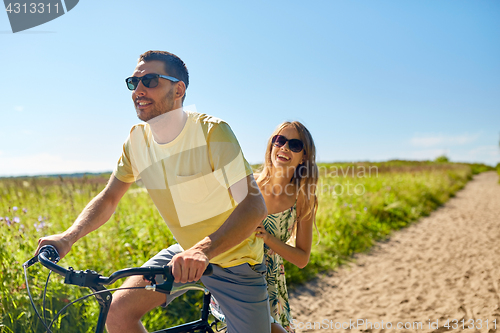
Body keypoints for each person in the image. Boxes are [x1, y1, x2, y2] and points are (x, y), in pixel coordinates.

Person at [35, 50, 271, 333]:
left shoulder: (212, 132)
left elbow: (254, 206)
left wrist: (203, 250)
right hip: (183, 256)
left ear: (178, 89)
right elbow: (109, 198)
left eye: (150, 80)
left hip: (236, 262)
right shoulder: (136, 141)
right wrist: (67, 237)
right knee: (117, 312)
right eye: (134, 83)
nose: (139, 90)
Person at [254, 121, 319, 333]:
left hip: (270, 281)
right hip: (236, 272)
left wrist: (269, 239)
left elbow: (302, 258)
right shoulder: (248, 184)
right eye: (279, 140)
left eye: (295, 145)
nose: (284, 148)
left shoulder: (303, 198)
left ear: (305, 156)